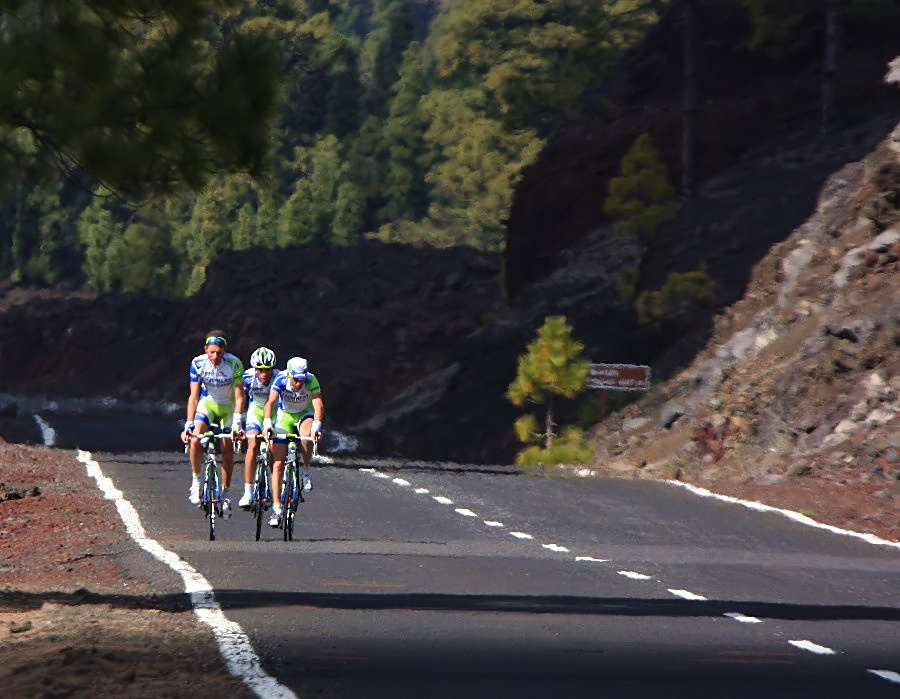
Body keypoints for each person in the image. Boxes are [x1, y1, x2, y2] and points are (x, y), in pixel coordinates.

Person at [181, 331, 245, 518]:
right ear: (205, 350)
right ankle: (196, 481)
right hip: (208, 404)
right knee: (194, 440)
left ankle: (225, 495)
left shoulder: (234, 363)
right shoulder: (197, 363)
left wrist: (237, 423)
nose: (215, 356)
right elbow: (193, 397)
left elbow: (240, 397)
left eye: (218, 352)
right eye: (211, 352)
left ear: (224, 350)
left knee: (227, 449)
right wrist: (189, 424)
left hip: (229, 407)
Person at [263, 356, 324, 527]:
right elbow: (270, 404)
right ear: (289, 375)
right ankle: (276, 507)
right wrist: (267, 425)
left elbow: (318, 406)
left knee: (306, 433)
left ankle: (306, 471)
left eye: (302, 380)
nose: (299, 384)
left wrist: (317, 428)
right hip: (285, 416)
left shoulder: (311, 380)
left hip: (304, 414)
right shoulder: (281, 379)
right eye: (296, 380)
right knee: (277, 463)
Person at [237, 346, 282, 510]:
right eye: (260, 370)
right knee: (252, 445)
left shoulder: (280, 377)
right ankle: (248, 492)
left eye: (267, 370)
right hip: (255, 412)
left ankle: (274, 485)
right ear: (255, 369)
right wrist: (238, 425)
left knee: (273, 448)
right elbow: (240, 401)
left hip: (275, 414)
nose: (264, 374)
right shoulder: (247, 377)